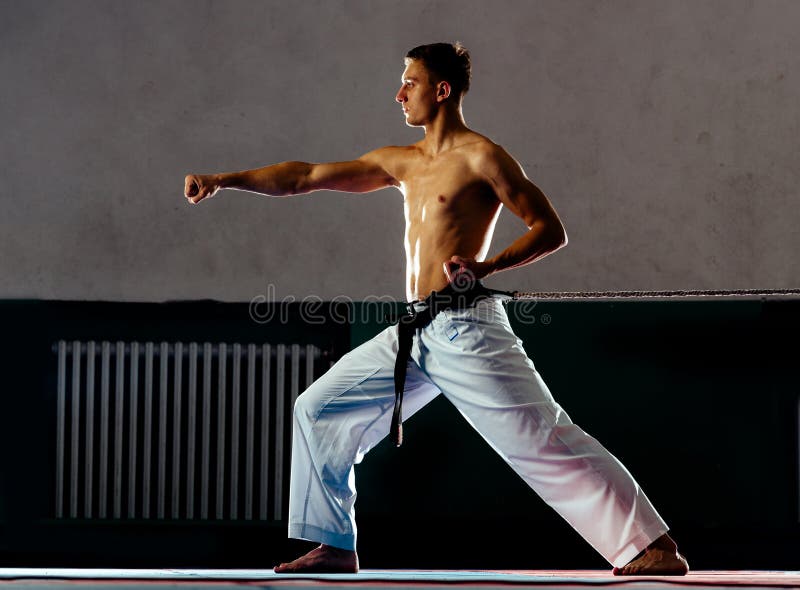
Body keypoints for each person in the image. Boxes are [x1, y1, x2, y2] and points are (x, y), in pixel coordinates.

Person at [184, 42, 689, 576]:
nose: (399, 93)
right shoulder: (400, 161)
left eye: (410, 82)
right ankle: (334, 544)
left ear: (441, 90)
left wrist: (486, 268)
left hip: (467, 327)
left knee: (541, 437)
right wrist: (224, 179)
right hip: (415, 330)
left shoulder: (482, 157)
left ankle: (651, 546)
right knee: (318, 409)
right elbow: (302, 177)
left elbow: (550, 229)